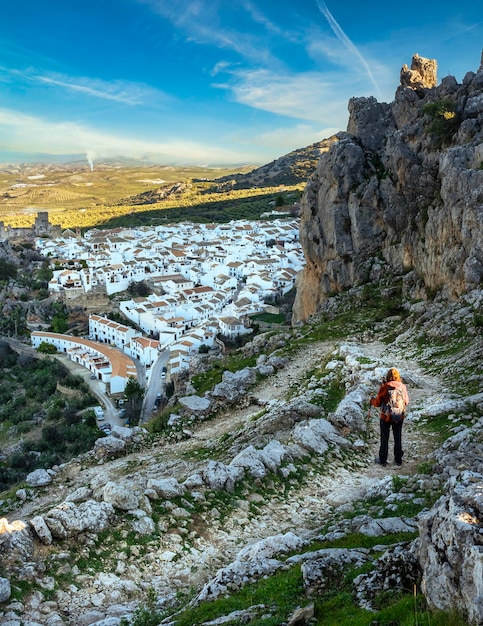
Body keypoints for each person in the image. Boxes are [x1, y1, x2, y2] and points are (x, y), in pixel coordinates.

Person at [370, 367, 409, 467]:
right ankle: (398, 459)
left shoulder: (385, 386)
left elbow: (378, 403)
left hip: (385, 416)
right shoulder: (402, 387)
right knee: (398, 436)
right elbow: (406, 402)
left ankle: (383, 460)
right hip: (398, 416)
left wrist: (372, 401)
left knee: (384, 437)